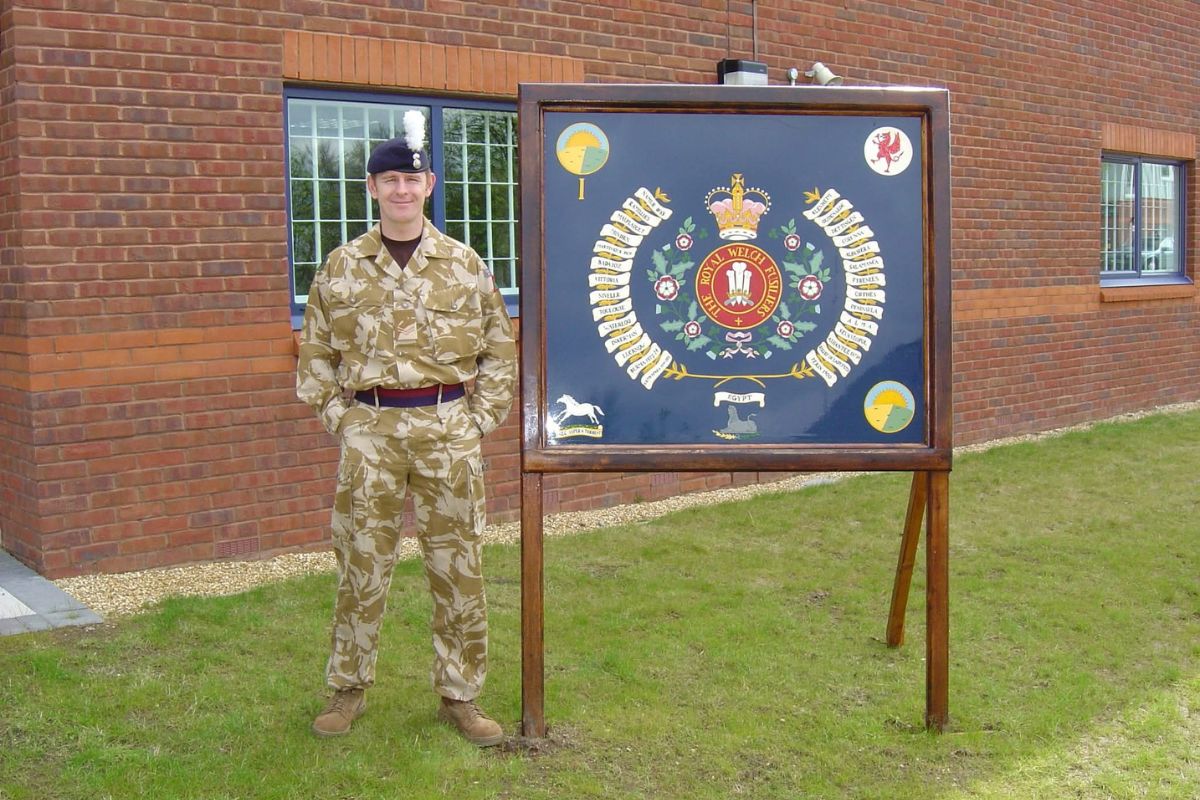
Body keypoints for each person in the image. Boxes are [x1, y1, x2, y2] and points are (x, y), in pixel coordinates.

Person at [296, 110, 517, 746]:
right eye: (387, 179)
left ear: (429, 186)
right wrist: (344, 420)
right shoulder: (340, 268)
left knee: (459, 565)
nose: (399, 189)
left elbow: (498, 352)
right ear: (371, 189)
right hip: (371, 429)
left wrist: (476, 421)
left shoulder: (464, 263)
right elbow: (314, 358)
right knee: (360, 562)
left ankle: (460, 695)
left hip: (448, 425)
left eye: (409, 179)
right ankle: (348, 689)